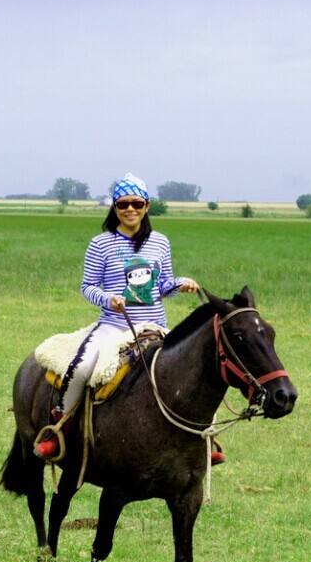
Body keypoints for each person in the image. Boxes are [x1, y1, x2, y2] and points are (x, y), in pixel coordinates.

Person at [34, 173, 201, 460]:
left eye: (136, 203)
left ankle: (201, 440)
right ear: (115, 208)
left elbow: (162, 286)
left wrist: (180, 284)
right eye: (123, 204)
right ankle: (58, 426)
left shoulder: (160, 242)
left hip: (155, 326)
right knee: (84, 368)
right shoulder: (101, 244)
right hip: (114, 327)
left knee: (192, 371)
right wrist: (108, 299)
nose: (130, 209)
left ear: (147, 206)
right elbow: (87, 287)